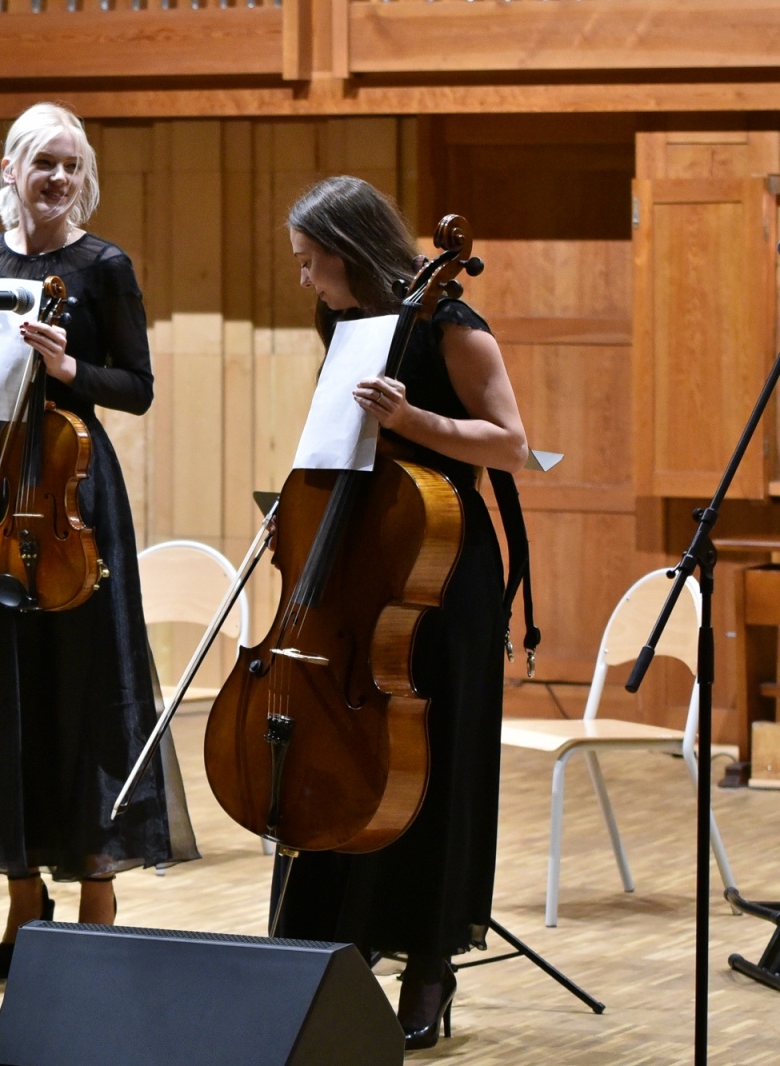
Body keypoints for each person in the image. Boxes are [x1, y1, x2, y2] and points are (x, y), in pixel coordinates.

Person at [0, 102, 198, 979]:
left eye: (72, 166)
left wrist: (72, 368)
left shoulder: (102, 265)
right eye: (45, 165)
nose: (60, 180)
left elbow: (138, 387)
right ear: (11, 171)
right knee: (2, 692)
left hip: (72, 498)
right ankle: (22, 897)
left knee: (86, 689)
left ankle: (97, 887)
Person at [275, 175, 529, 1050]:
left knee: (441, 762)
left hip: (442, 566)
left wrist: (415, 418)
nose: (307, 279)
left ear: (345, 254)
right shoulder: (346, 325)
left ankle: (429, 963)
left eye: (312, 263)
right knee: (357, 750)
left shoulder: (454, 328)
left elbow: (511, 444)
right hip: (362, 560)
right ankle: (329, 944)